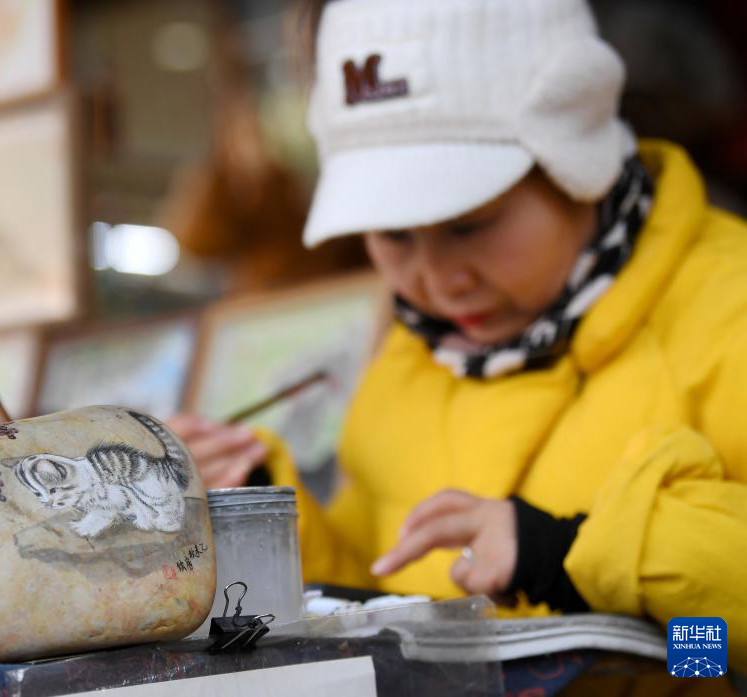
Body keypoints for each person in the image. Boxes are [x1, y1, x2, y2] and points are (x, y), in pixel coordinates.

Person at [168, 0, 747, 671]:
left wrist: (570, 557)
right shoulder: (417, 354)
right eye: (394, 235)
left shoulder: (726, 305)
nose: (439, 283)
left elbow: (726, 656)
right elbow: (382, 591)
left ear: (576, 159)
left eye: (469, 225)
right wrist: (257, 509)